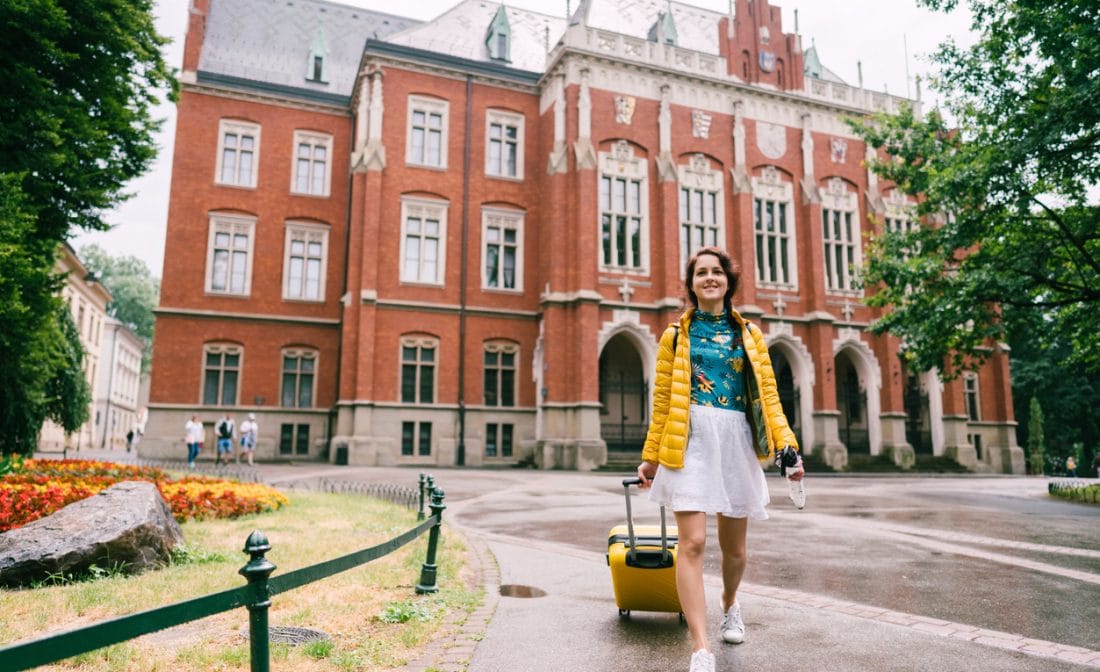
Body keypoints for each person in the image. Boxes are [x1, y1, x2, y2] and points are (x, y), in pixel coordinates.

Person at [636, 246, 804, 672]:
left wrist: (788, 446)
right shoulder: (675, 336)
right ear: (691, 285)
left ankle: (730, 602)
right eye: (701, 273)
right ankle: (701, 647)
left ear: (728, 281)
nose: (709, 278)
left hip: (735, 439)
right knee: (692, 543)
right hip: (688, 439)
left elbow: (769, 397)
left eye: (717, 272)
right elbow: (662, 401)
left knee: (735, 550)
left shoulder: (750, 335)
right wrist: (651, 457)